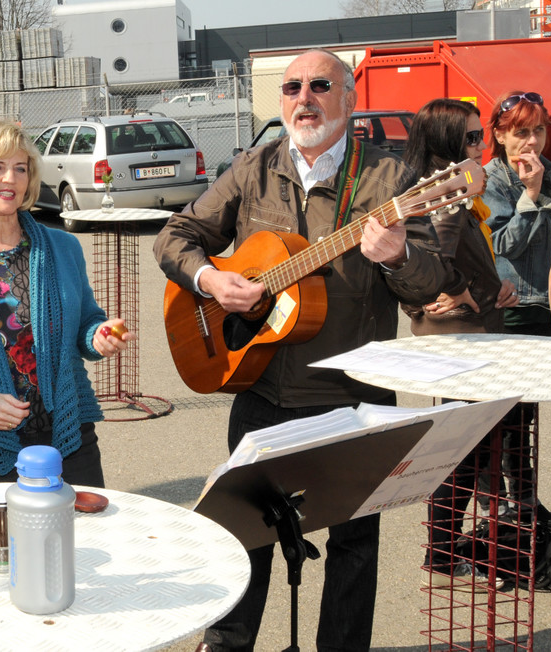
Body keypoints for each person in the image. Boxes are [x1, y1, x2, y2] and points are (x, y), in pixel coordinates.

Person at [153, 48, 446, 651]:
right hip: (258, 386)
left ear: (349, 96)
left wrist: (399, 256)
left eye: (319, 85)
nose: (303, 98)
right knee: (243, 536)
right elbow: (176, 235)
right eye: (291, 88)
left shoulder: (392, 181)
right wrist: (211, 281)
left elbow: (431, 283)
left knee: (355, 546)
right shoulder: (253, 167)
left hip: (352, 397)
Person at [0, 118, 132, 487]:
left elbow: (86, 323)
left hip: (68, 428)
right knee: (4, 544)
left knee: (84, 536)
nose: (10, 179)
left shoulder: (64, 248)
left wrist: (98, 336)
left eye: (20, 168)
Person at [399, 98, 517, 592]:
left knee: (473, 446)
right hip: (462, 342)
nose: (480, 147)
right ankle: (445, 552)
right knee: (464, 450)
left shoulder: (446, 189)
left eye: (480, 137)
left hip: (471, 333)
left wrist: (494, 287)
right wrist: (453, 293)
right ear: (445, 142)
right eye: (470, 138)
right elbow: (434, 259)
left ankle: (467, 545)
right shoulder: (446, 193)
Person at [483, 90, 551, 526]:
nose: (532, 141)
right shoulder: (491, 180)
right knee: (502, 422)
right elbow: (500, 244)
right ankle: (502, 510)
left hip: (543, 311)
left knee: (525, 421)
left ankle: (523, 506)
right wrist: (530, 195)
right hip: (509, 311)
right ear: (500, 135)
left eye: (539, 130)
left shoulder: (549, 174)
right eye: (521, 132)